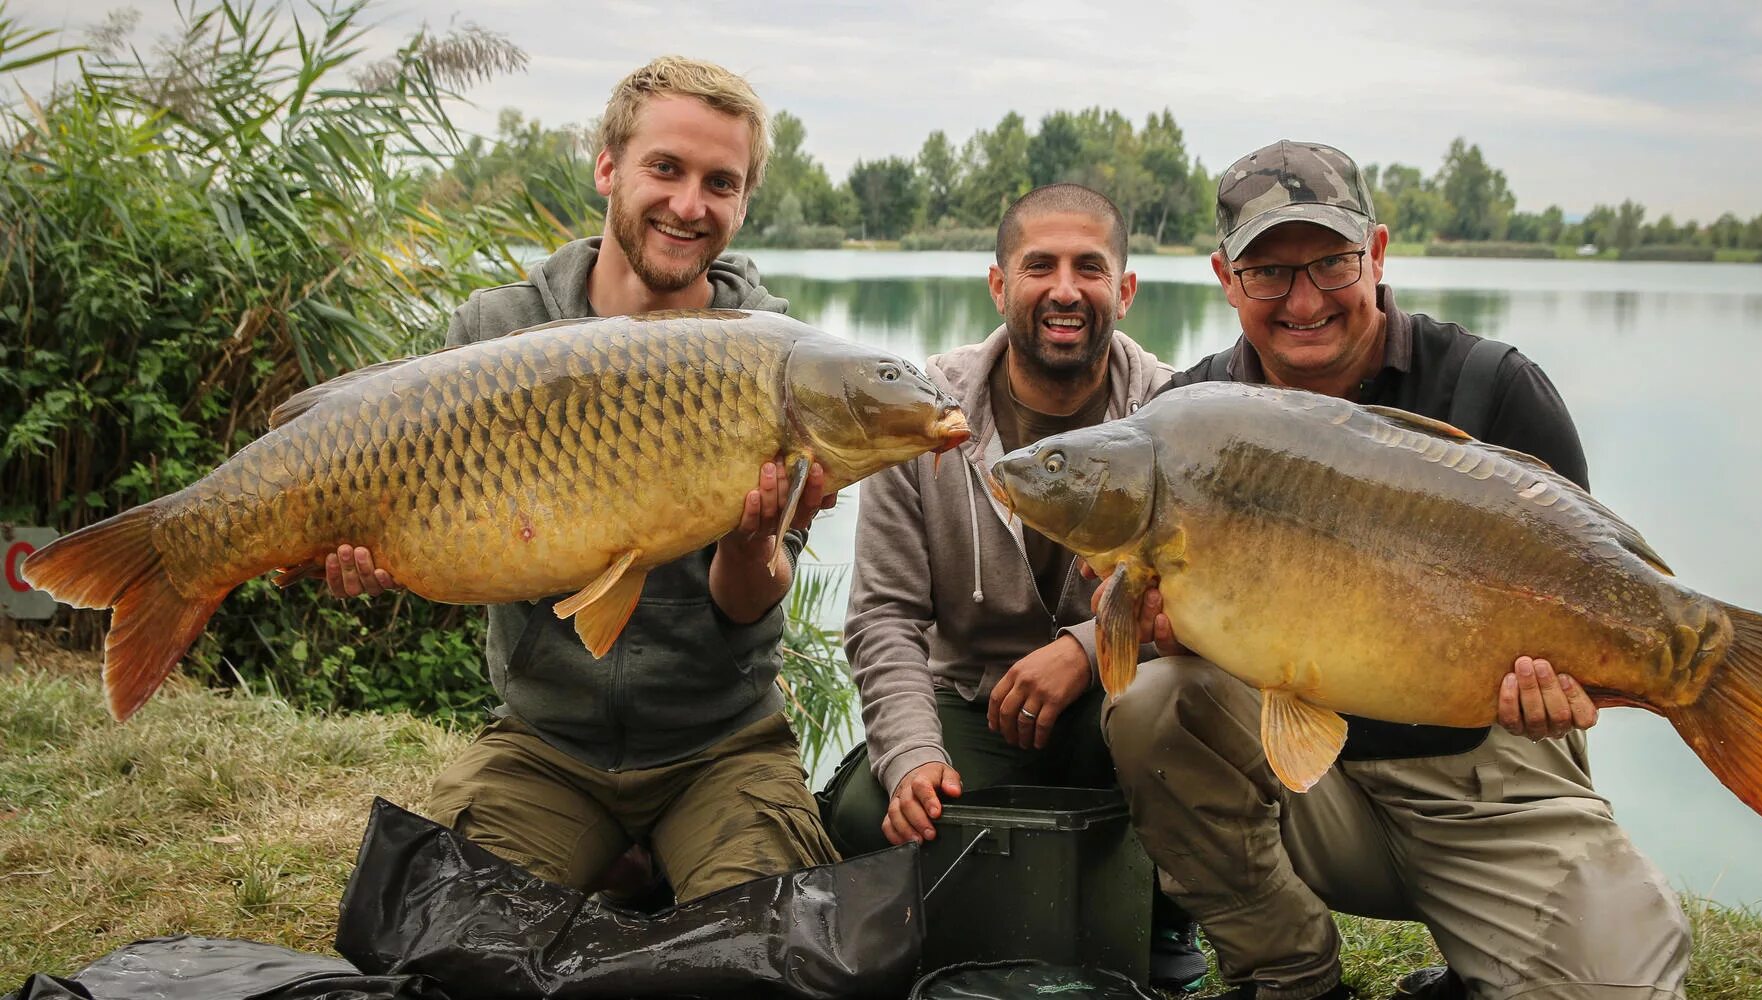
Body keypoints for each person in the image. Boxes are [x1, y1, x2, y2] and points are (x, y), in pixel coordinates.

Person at [1102, 141, 1692, 1000]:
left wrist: (1573, 688)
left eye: (1331, 263)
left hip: (1488, 781)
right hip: (1303, 785)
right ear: (1226, 279)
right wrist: (1154, 633)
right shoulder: (1183, 425)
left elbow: (1582, 594)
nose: (1303, 299)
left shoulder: (1497, 390)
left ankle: (1481, 960)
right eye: (1268, 272)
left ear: (1376, 253)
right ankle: (1292, 978)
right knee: (1151, 707)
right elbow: (1173, 634)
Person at [319, 56, 838, 904]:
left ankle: (645, 868)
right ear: (608, 167)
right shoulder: (495, 331)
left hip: (722, 747)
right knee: (443, 934)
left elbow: (747, 603)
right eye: (664, 168)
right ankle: (614, 866)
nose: (688, 204)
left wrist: (755, 540)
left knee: (769, 946)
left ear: (743, 202)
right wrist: (371, 556)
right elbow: (442, 548)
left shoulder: (780, 358)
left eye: (720, 182)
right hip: (545, 744)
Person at [823, 183, 1207, 990]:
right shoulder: (919, 409)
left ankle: (1165, 911)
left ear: (1125, 291)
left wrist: (1083, 645)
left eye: (1089, 268)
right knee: (869, 813)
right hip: (975, 701)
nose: (1065, 290)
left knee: (1176, 722)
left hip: (1125, 694)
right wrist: (913, 756)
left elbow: (1201, 599)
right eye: (1040, 266)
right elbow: (885, 614)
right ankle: (989, 895)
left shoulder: (1181, 410)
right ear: (999, 285)